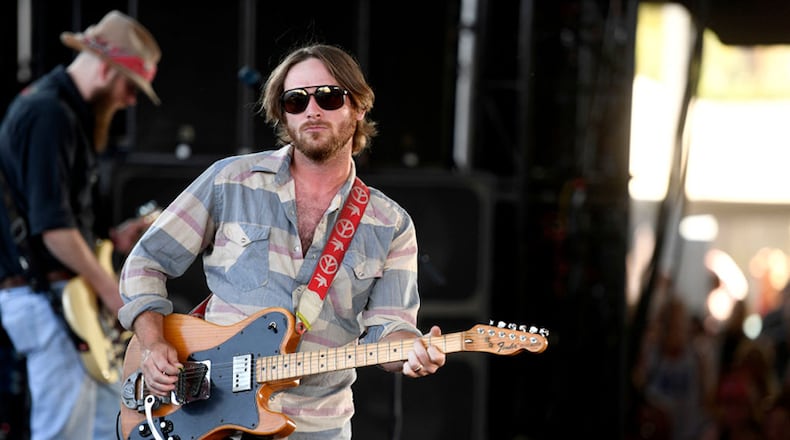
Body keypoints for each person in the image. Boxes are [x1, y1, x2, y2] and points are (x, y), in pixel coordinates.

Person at [117, 43, 446, 439]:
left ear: (358, 106)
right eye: (295, 100)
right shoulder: (230, 181)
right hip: (203, 409)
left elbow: (390, 329)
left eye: (328, 96)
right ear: (281, 112)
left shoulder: (389, 223)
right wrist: (152, 344)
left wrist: (412, 352)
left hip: (316, 425)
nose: (312, 110)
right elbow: (146, 261)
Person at [0, 10, 161, 440]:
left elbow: (62, 218)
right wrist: (115, 296)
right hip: (51, 298)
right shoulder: (48, 113)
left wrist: (114, 238)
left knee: (111, 425)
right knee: (64, 432)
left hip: (67, 296)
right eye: (131, 87)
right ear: (107, 68)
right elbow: (52, 229)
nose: (130, 100)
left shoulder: (66, 114)